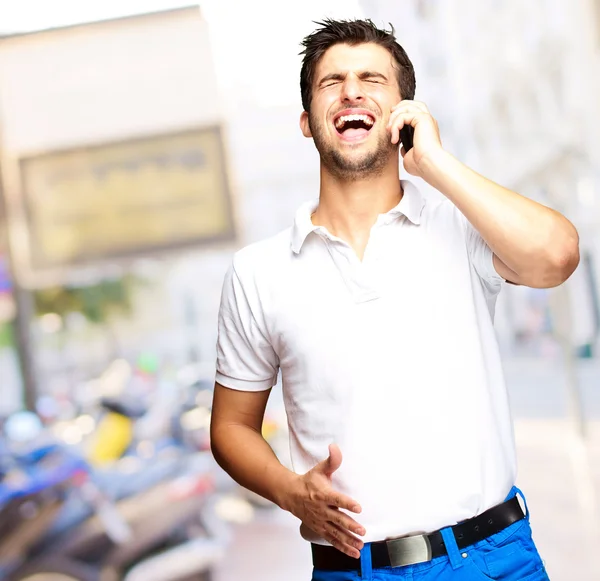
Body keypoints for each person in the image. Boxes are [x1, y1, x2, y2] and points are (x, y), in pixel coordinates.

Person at [210, 18, 579, 581]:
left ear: (404, 111)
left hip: (492, 559)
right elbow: (231, 428)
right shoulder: (257, 273)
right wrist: (290, 491)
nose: (352, 91)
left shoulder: (463, 226)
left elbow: (556, 256)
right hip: (353, 570)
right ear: (308, 122)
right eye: (332, 82)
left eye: (371, 80)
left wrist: (431, 163)